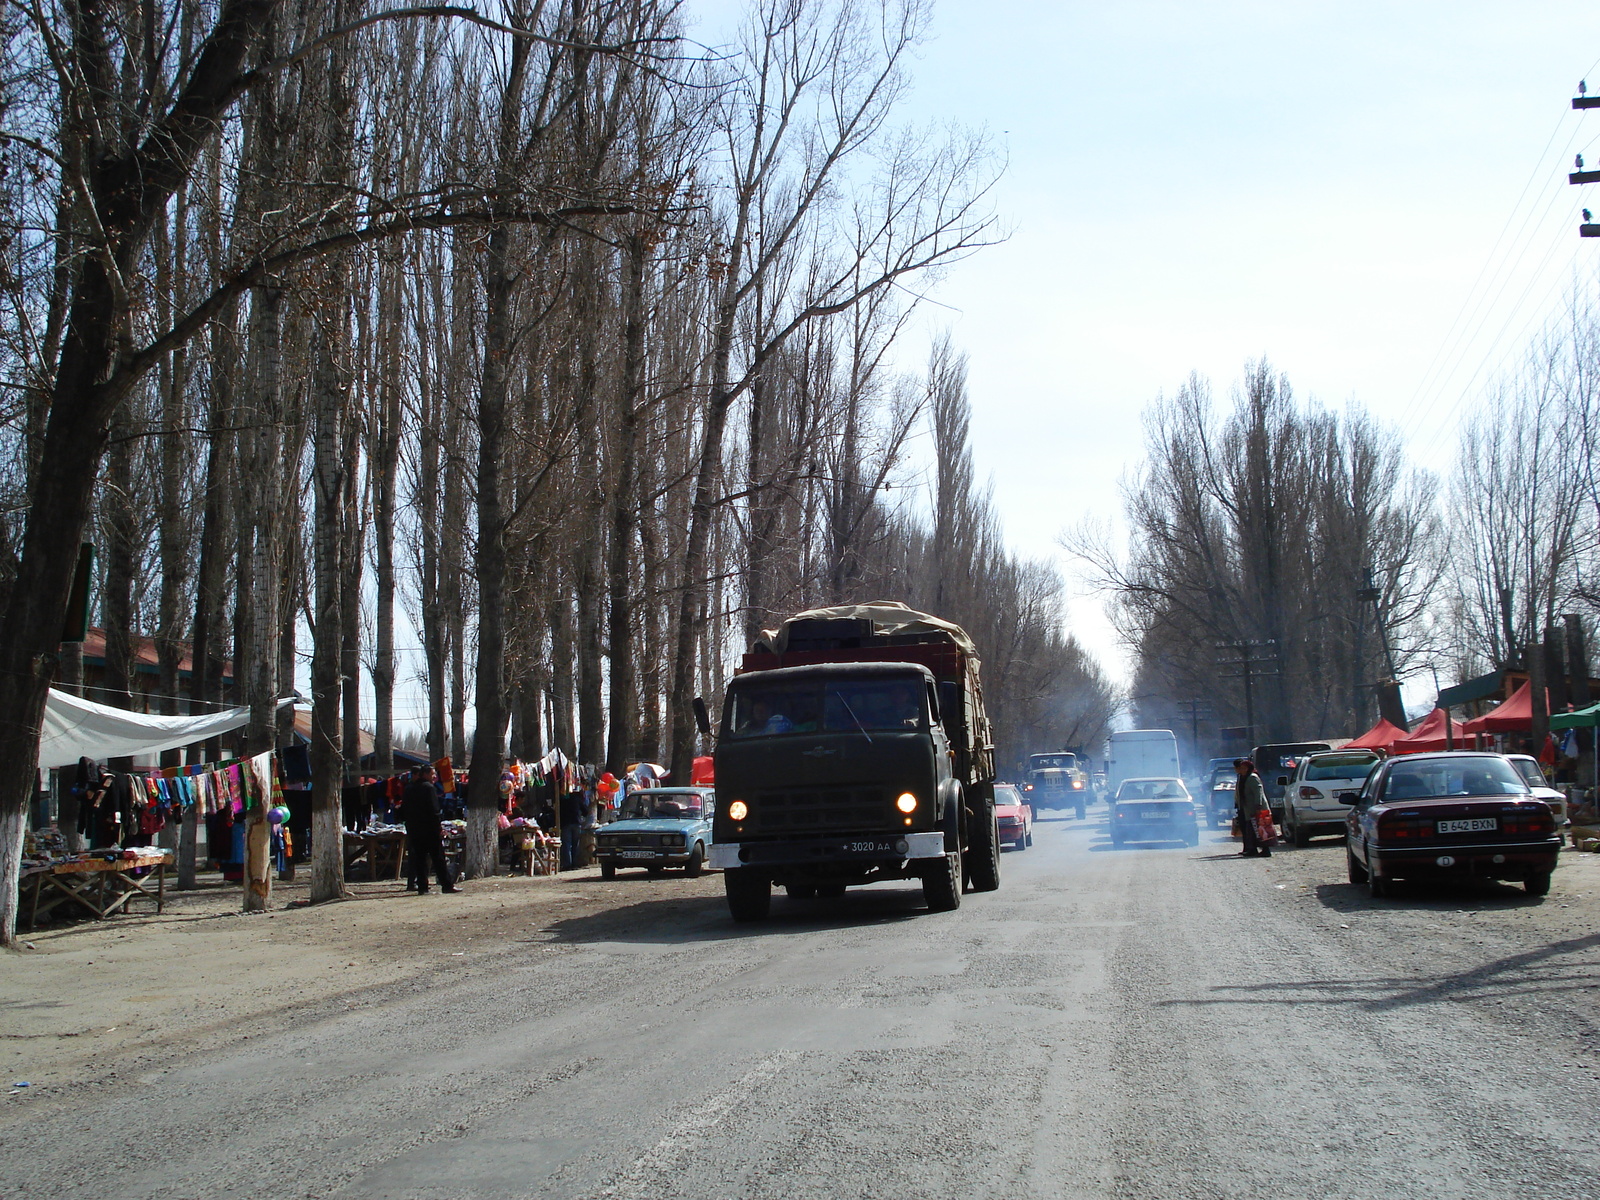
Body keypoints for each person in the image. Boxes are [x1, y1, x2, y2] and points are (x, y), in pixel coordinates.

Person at [401, 764, 458, 894]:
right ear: (425, 774)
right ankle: (447, 885)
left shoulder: (408, 789)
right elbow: (434, 810)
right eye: (433, 774)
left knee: (420, 859)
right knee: (438, 858)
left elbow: (405, 810)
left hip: (414, 829)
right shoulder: (428, 788)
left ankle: (422, 887)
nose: (435, 777)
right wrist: (439, 828)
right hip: (429, 829)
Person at [1234, 758, 1271, 858]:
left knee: (1262, 829)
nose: (1240, 770)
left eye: (1243, 768)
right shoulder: (1244, 778)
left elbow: (1258, 792)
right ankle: (1252, 849)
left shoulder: (1252, 777)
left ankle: (1266, 850)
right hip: (1249, 809)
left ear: (1247, 768)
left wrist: (1258, 805)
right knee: (1252, 830)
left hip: (1257, 808)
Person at [559, 788, 590, 871]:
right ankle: (575, 864)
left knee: (567, 845)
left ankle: (567, 864)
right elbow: (586, 811)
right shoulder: (577, 799)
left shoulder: (561, 799)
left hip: (565, 824)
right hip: (576, 823)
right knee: (575, 845)